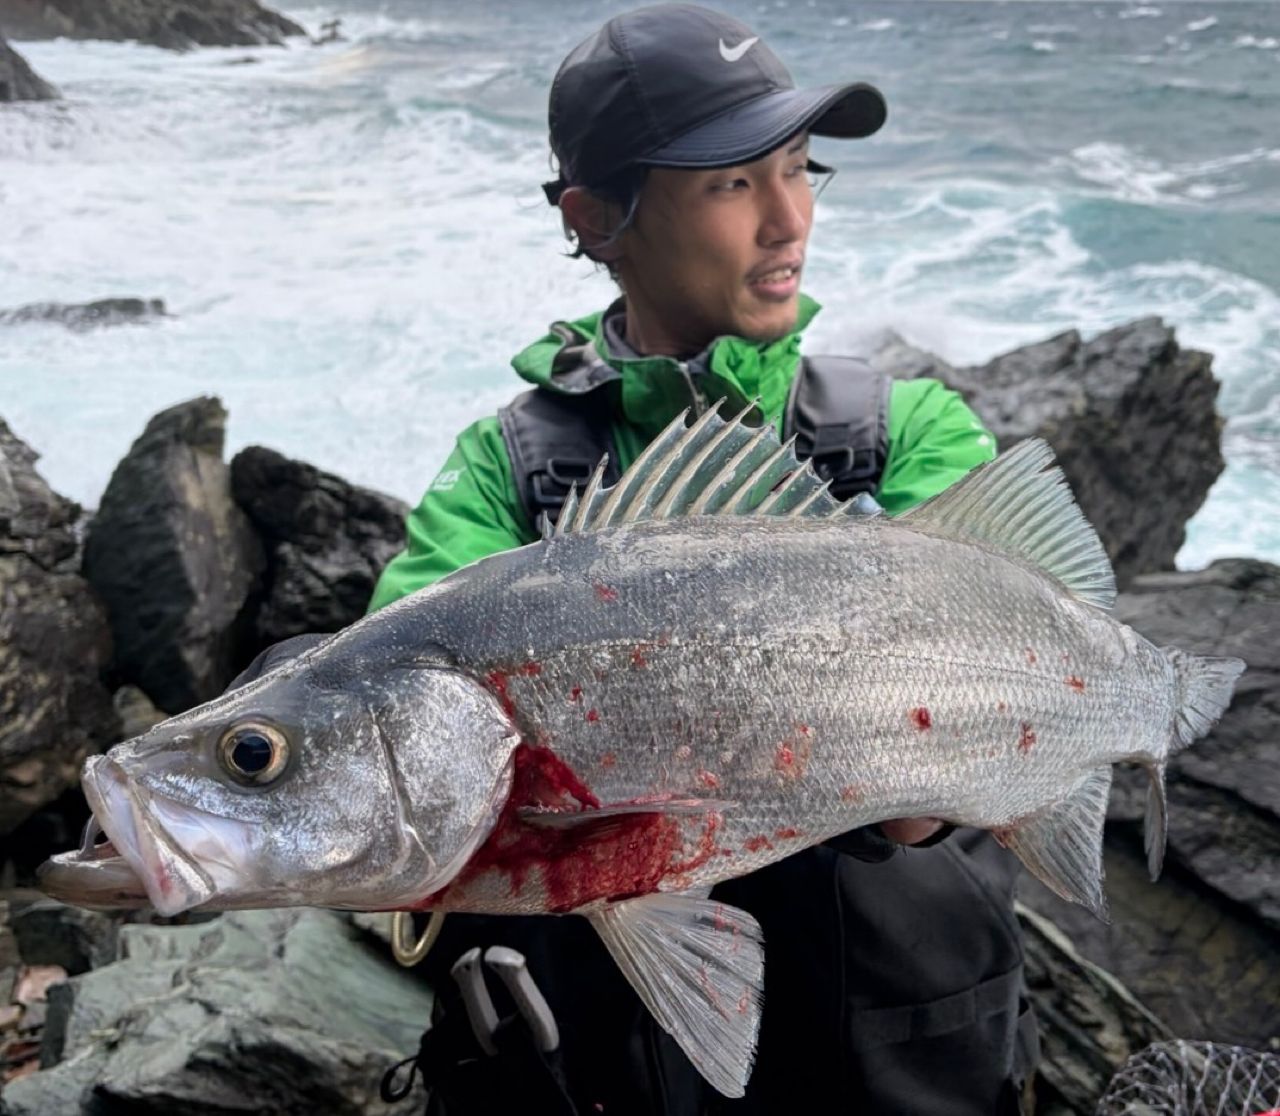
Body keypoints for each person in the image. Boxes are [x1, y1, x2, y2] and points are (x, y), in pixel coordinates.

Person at [368, 5, 1039, 1113]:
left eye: (799, 168)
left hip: (900, 1066)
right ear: (596, 217)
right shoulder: (504, 474)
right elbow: (406, 735)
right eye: (733, 182)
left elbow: (982, 703)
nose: (789, 219)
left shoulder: (909, 433)